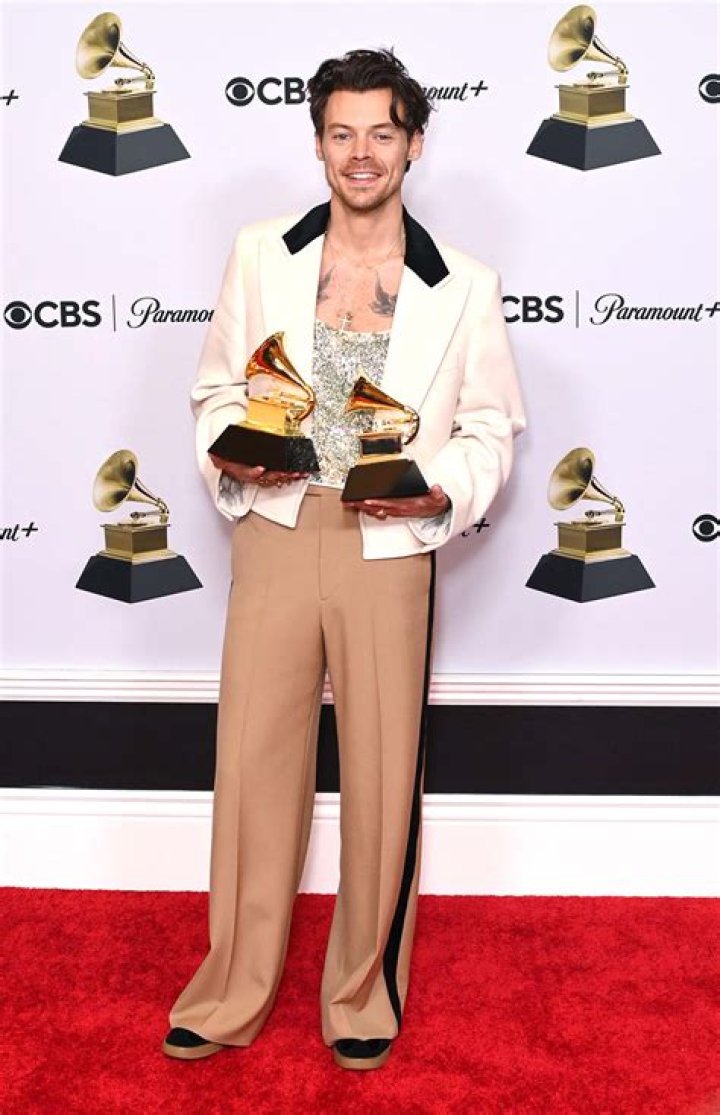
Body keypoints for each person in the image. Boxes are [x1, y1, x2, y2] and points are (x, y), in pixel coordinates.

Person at [163, 48, 525, 1072]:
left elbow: (493, 423)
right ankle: (231, 989)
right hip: (278, 530)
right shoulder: (260, 253)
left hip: (388, 544)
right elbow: (216, 390)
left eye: (381, 133)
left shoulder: (464, 284)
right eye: (341, 132)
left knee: (379, 773)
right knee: (253, 766)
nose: (361, 153)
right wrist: (229, 446)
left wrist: (440, 489)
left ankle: (362, 992)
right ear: (318, 141)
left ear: (415, 143)